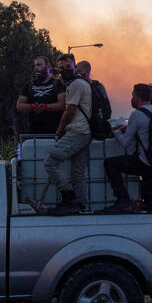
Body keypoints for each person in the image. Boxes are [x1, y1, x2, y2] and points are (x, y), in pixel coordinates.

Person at [42, 54, 92, 214]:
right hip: (85, 133)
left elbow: (69, 110)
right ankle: (81, 205)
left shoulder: (76, 84)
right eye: (61, 68)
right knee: (77, 172)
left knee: (50, 162)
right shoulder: (81, 83)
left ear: (75, 67)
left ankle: (69, 197)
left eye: (68, 67)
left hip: (77, 131)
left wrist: (59, 130)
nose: (65, 71)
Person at [103, 83, 152, 213]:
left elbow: (125, 143)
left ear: (136, 97)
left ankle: (123, 199)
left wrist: (116, 131)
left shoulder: (137, 114)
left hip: (145, 162)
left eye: (132, 95)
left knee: (110, 164)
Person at [16, 55, 66, 136]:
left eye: (39, 65)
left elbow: (62, 104)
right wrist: (32, 107)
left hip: (54, 132)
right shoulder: (29, 85)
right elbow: (19, 106)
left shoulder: (58, 83)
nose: (36, 68)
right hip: (33, 131)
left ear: (48, 66)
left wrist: (46, 107)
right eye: (35, 65)